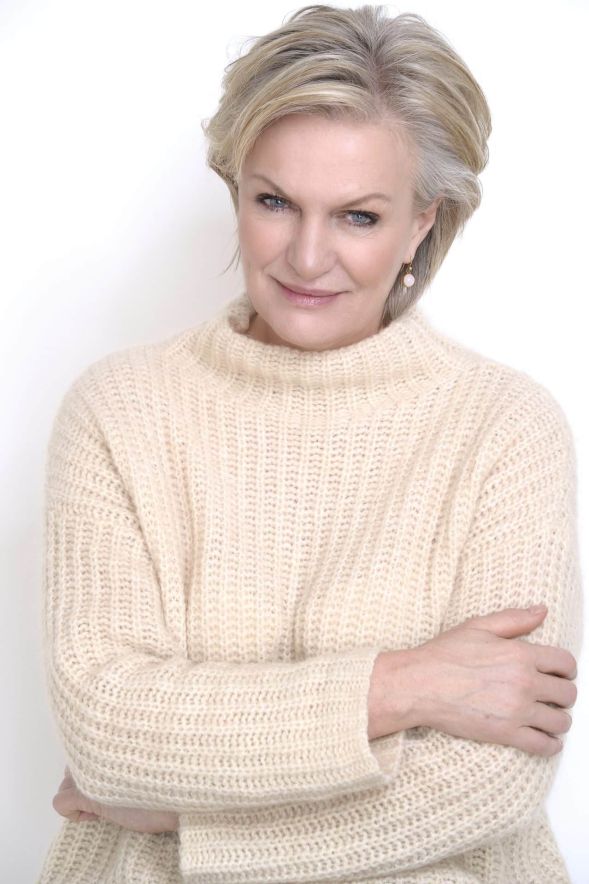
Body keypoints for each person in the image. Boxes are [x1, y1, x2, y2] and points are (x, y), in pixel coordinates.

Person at [39, 5, 582, 883]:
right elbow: (105, 727)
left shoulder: (503, 426)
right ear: (236, 192)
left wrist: (184, 825)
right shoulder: (120, 410)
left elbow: (488, 780)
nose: (305, 256)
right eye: (275, 203)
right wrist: (402, 686)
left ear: (421, 223)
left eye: (358, 217)